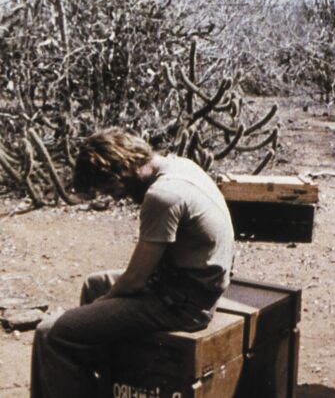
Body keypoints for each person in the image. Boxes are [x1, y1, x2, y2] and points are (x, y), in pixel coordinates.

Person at [30, 128, 235, 398]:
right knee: (94, 285)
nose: (116, 197)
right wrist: (101, 302)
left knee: (50, 334)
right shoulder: (179, 166)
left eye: (112, 188)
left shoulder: (163, 196)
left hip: (185, 306)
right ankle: (103, 383)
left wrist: (104, 303)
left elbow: (135, 281)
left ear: (123, 168)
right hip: (190, 287)